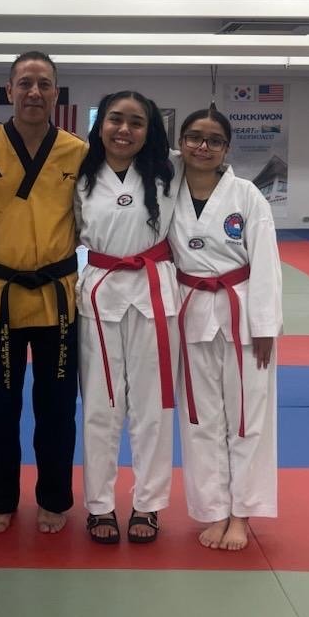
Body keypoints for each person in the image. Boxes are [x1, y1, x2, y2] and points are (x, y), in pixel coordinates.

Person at [0, 51, 87, 533]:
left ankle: (54, 498)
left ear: (56, 92)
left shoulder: (77, 151)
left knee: (56, 410)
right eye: (25, 83)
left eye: (44, 84)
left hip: (58, 297)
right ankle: (1, 498)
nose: (35, 92)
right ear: (8, 90)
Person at [168, 108, 282, 551]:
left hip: (242, 315)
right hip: (189, 311)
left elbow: (267, 262)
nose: (203, 146)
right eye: (195, 137)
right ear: (181, 141)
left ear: (226, 149)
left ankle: (241, 513)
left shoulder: (247, 195)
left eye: (214, 140)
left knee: (247, 416)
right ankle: (213, 510)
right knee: (200, 418)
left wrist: (266, 325)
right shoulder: (167, 191)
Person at [75, 92, 181, 544]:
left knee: (152, 407)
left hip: (155, 291)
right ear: (100, 126)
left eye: (136, 122)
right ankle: (99, 504)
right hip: (99, 291)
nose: (124, 129)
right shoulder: (79, 174)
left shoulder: (171, 169)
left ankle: (147, 503)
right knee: (101, 407)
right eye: (114, 119)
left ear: (150, 129)